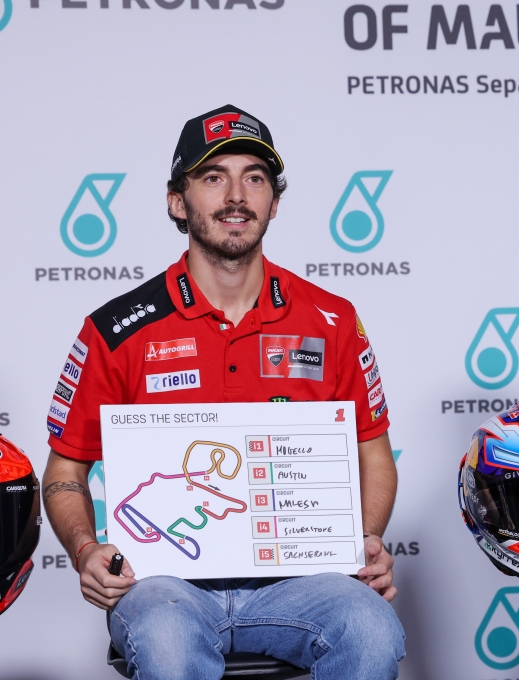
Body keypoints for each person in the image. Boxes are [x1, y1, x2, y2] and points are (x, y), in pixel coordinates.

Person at [41, 105, 405, 680]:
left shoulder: (331, 320)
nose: (236, 196)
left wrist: (364, 539)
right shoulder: (117, 330)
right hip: (165, 584)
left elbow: (374, 454)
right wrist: (86, 549)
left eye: (254, 178)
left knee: (371, 628)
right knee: (165, 641)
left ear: (274, 202)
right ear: (177, 201)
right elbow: (64, 470)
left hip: (301, 581)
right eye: (214, 177)